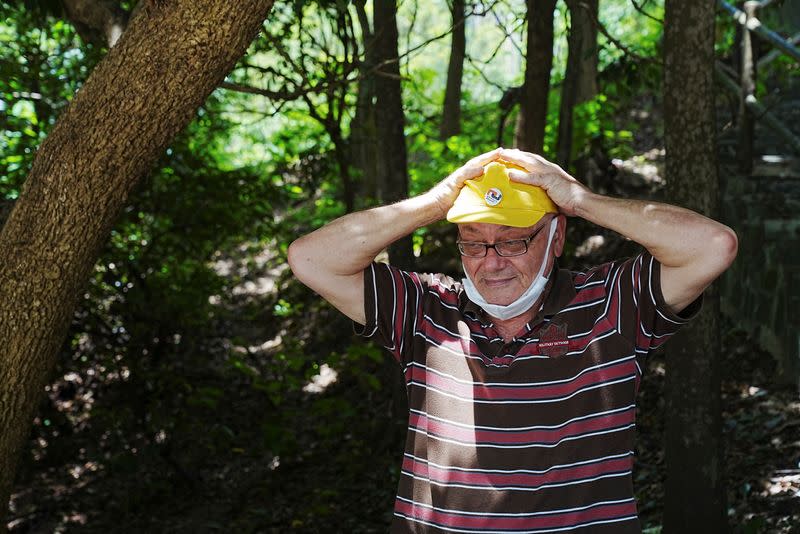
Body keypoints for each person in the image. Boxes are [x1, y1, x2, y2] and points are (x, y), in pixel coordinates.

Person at [287, 147, 737, 533]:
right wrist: (436, 201)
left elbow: (712, 245)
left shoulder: (610, 306)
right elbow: (310, 258)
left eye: (513, 241)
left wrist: (580, 200)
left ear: (557, 236)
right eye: (473, 242)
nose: (492, 262)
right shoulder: (427, 309)